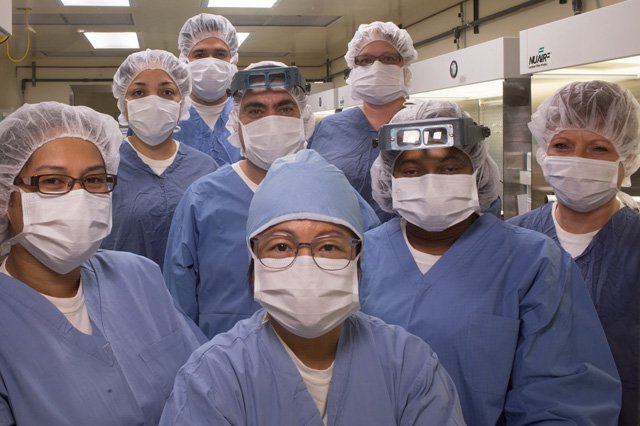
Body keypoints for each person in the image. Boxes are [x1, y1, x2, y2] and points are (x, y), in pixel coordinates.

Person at [359, 100, 622, 424]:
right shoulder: (360, 257)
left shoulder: (533, 262)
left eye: (449, 168)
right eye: (411, 170)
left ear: (477, 171)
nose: (431, 181)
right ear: (390, 178)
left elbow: (563, 398)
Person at [160, 149, 466, 425]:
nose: (305, 264)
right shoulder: (213, 377)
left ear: (358, 259)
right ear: (253, 261)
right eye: (281, 246)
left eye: (329, 247)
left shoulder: (409, 365)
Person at [0, 102, 205, 425]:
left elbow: (203, 377)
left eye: (94, 180)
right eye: (52, 181)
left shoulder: (138, 276)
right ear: (7, 198)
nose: (78, 197)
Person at [164, 62, 380, 339]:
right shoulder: (202, 199)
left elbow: (372, 282)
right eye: (255, 110)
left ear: (303, 117)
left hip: (325, 353)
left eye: (284, 108)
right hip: (223, 362)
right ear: (236, 124)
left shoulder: (335, 192)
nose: (271, 118)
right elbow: (179, 303)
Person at [508, 80, 640, 426]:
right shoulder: (512, 240)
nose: (576, 160)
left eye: (598, 149)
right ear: (544, 153)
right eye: (562, 145)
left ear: (626, 158)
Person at [101, 49, 217, 270]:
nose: (153, 101)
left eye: (166, 92)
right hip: (121, 293)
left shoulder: (205, 168)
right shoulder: (104, 167)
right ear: (123, 103)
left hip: (188, 299)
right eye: (138, 92)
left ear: (181, 102)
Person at [309, 21, 417, 221]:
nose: (376, 67)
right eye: (365, 60)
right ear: (353, 68)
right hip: (343, 244)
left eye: (388, 58)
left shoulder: (429, 122)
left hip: (417, 246)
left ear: (404, 65)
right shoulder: (329, 128)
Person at [174, 13, 241, 166]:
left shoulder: (246, 113)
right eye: (200, 54)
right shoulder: (168, 115)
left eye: (220, 54)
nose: (211, 62)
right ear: (185, 60)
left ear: (232, 60)